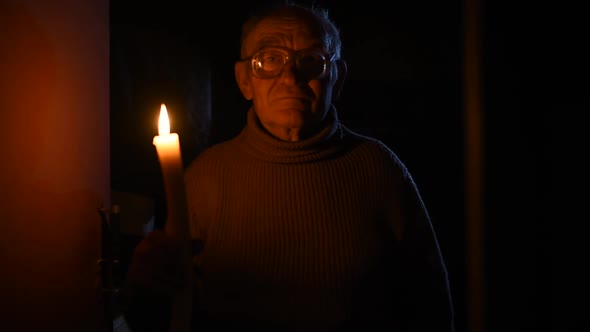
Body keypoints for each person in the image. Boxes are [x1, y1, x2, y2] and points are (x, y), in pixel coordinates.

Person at [122, 2, 455, 331]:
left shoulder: (379, 169)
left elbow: (431, 306)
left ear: (336, 79)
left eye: (310, 60)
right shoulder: (206, 178)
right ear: (244, 80)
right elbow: (166, 313)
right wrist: (143, 284)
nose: (290, 76)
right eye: (269, 60)